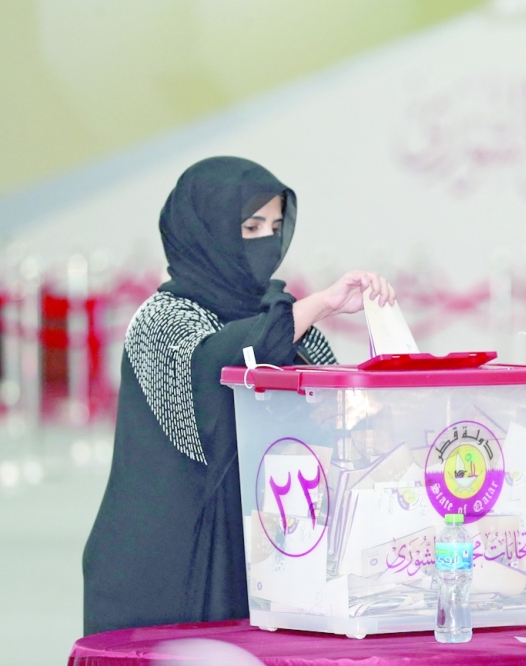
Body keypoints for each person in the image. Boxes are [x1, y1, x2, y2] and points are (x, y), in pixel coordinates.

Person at [82, 157, 395, 635]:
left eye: (275, 226)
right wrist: (322, 304)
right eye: (250, 227)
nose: (266, 242)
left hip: (271, 559)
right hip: (170, 574)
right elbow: (221, 367)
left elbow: (334, 414)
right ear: (204, 230)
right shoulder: (163, 320)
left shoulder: (283, 318)